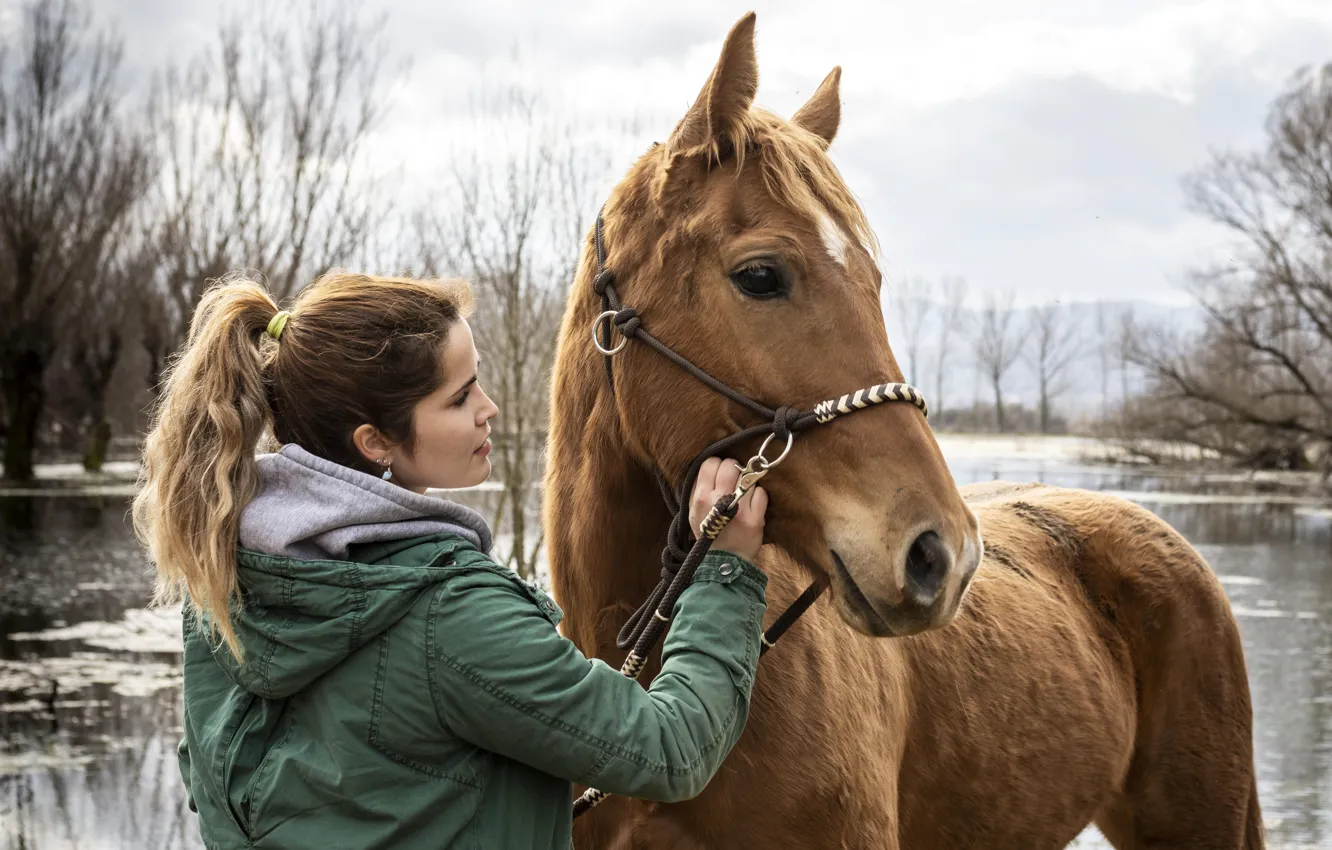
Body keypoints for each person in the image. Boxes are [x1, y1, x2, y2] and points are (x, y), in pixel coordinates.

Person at [132, 270, 770, 849]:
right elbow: (670, 750)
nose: (489, 408)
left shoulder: (221, 574)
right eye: (460, 397)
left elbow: (211, 777)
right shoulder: (454, 614)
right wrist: (726, 571)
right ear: (376, 441)